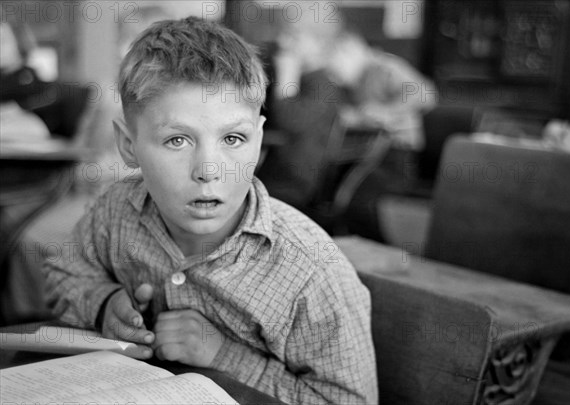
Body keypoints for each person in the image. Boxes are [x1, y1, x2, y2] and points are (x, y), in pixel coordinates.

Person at [42, 17, 378, 405]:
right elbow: (63, 273)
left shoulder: (311, 274)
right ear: (128, 145)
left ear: (259, 142)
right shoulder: (116, 212)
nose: (208, 170)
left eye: (233, 138)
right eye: (178, 140)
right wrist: (102, 305)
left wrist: (224, 355)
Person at [324, 30, 437, 151]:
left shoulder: (384, 68)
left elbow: (426, 95)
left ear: (351, 52)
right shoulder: (348, 83)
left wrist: (384, 110)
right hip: (362, 148)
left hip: (397, 147)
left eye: (335, 69)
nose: (333, 77)